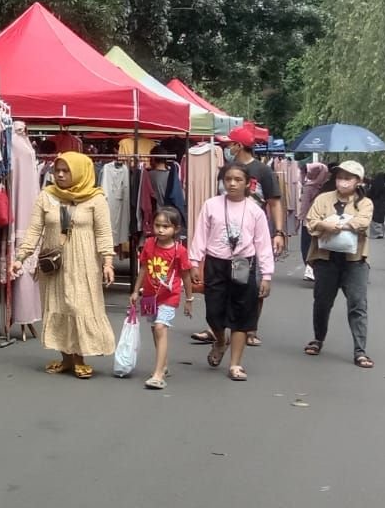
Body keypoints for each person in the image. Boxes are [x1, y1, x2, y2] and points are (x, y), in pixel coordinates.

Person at [11, 152, 117, 379]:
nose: (59, 174)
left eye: (65, 171)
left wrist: (108, 262)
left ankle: (79, 358)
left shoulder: (96, 199)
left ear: (79, 172)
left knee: (78, 306)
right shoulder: (46, 196)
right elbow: (34, 230)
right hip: (54, 265)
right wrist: (20, 258)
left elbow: (104, 233)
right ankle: (66, 358)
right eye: (57, 170)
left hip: (84, 264)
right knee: (58, 306)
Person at [189, 162, 274, 381]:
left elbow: (263, 244)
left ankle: (236, 364)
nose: (233, 184)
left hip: (243, 263)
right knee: (213, 311)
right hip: (216, 262)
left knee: (241, 313)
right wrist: (195, 262)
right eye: (228, 179)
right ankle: (220, 340)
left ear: (247, 183)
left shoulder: (255, 210)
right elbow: (200, 234)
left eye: (238, 180)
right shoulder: (211, 205)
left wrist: (266, 275)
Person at [303, 161, 375, 368]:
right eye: (340, 177)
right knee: (322, 302)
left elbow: (362, 222)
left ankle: (360, 351)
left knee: (357, 304)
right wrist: (324, 224)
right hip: (326, 259)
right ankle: (318, 339)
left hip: (355, 261)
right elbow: (311, 221)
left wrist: (338, 225)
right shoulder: (323, 199)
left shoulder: (365, 203)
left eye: (348, 178)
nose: (343, 182)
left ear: (358, 181)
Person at [131, 206, 191, 390]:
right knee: (154, 329)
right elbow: (143, 268)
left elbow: (186, 275)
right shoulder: (149, 244)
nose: (161, 230)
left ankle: (158, 374)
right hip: (150, 295)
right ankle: (163, 365)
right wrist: (135, 291)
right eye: (157, 225)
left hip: (169, 296)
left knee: (160, 327)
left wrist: (189, 299)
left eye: (166, 226)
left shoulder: (179, 251)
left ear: (176, 229)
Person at [295, 162, 331, 280]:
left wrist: (299, 220)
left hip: (308, 222)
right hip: (323, 222)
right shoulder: (327, 187)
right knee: (319, 247)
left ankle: (310, 270)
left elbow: (304, 206)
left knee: (306, 247)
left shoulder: (308, 187)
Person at [366, 172, 385, 240]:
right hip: (384, 204)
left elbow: (369, 194)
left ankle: (377, 233)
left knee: (375, 219)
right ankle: (382, 233)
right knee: (383, 219)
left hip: (375, 204)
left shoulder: (374, 185)